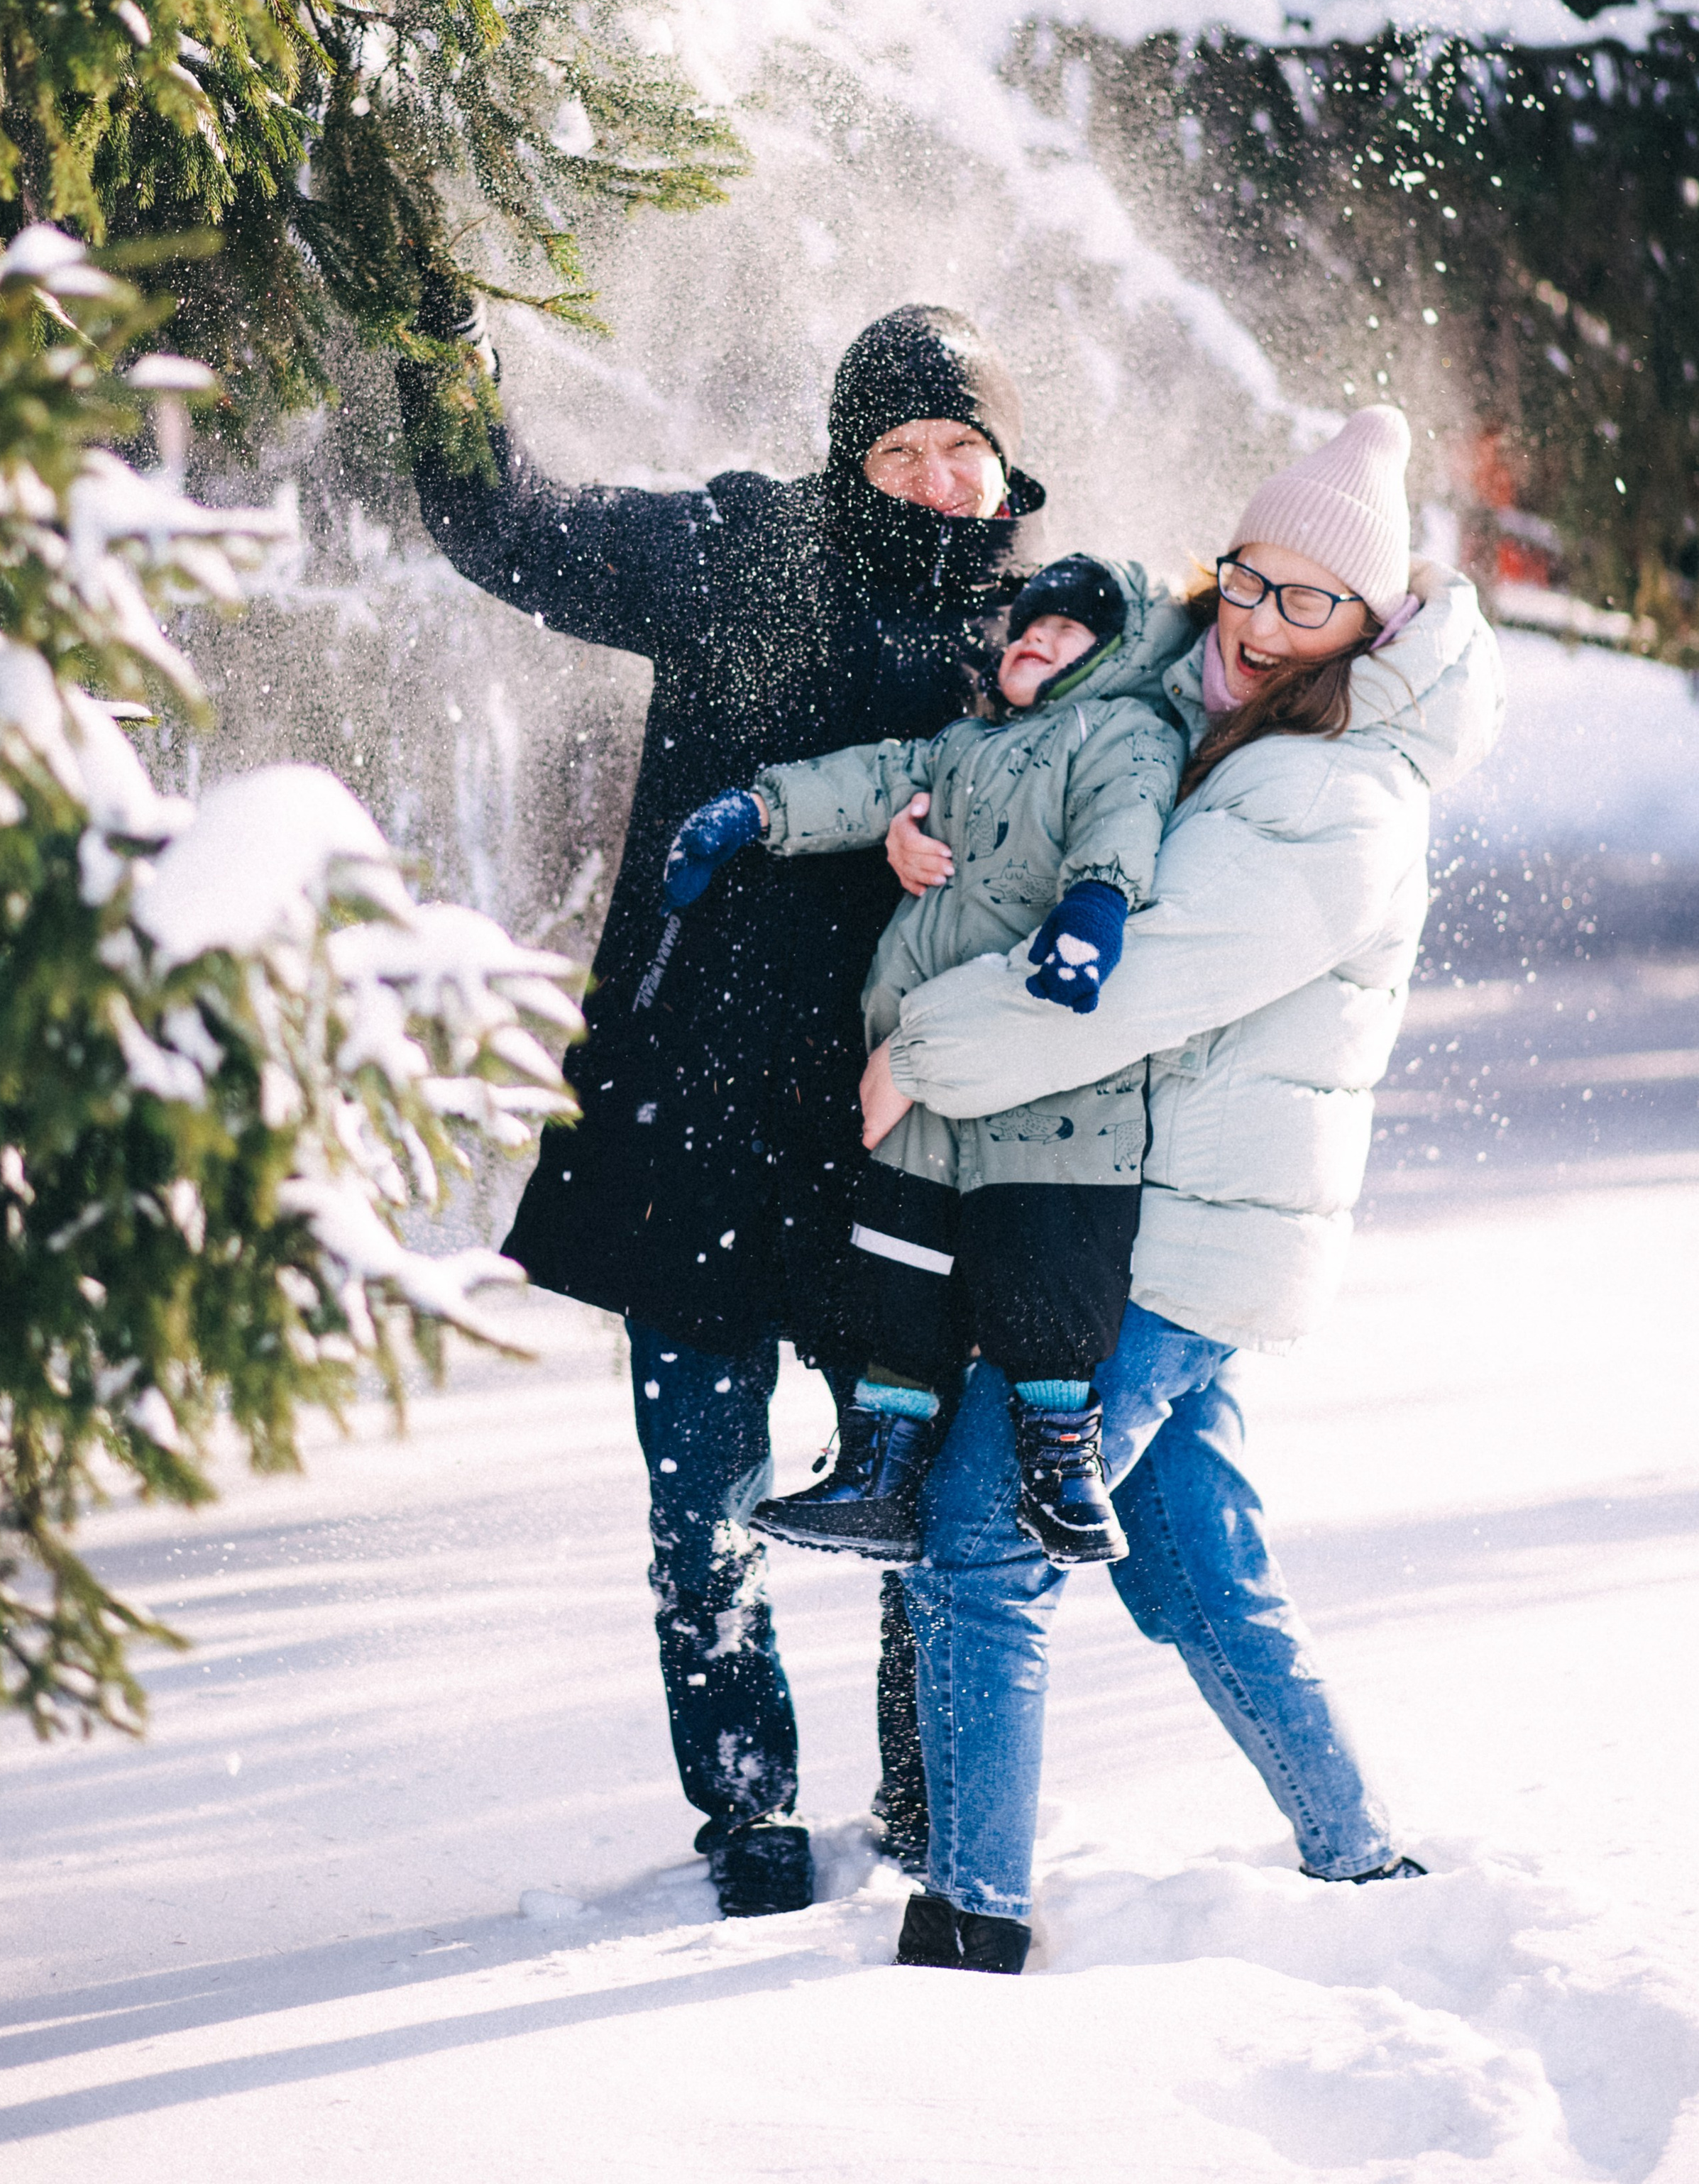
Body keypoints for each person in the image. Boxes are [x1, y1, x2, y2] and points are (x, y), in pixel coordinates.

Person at [397, 294, 1046, 1916]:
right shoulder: (736, 553)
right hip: (694, 1124)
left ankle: (923, 1802)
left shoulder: (1041, 643)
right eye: (894, 447)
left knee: (923, 1503)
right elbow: (503, 521)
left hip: (909, 1148)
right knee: (703, 1504)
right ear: (847, 459)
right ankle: (748, 1814)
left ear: (1005, 465)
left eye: (960, 447)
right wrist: (444, 359)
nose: (928, 477)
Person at [863, 405, 1506, 1975]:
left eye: (1308, 599)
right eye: (1247, 577)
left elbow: (1130, 978)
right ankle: (1358, 1856)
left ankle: (972, 1923)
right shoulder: (1181, 702)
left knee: (981, 1545)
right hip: (1123, 1209)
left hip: (1179, 1237)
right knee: (1197, 1570)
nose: (1261, 618)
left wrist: (917, 1052)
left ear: (1370, 621)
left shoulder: (1335, 796)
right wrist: (917, 828)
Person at [659, 553, 1185, 1567]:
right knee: (897, 1272)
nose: (1035, 638)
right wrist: (755, 813)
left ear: (1123, 651)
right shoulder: (959, 746)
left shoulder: (1123, 731)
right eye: (1028, 625)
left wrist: (1094, 909)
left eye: (1071, 630)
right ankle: (879, 1475)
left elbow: (1123, 820)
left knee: (1048, 1261)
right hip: (924, 1077)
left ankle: (1061, 1467)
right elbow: (864, 778)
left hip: (1050, 1061)